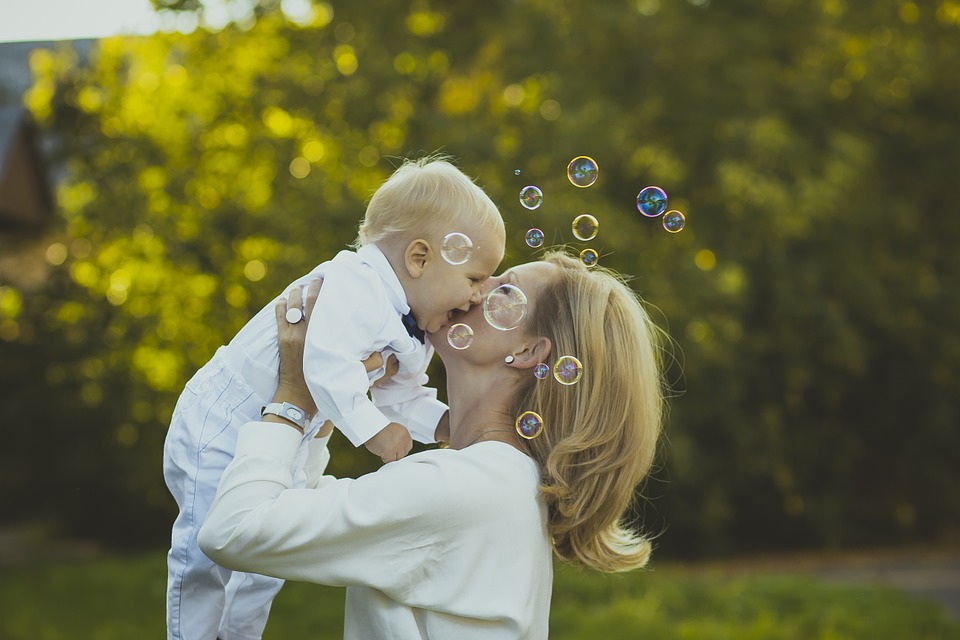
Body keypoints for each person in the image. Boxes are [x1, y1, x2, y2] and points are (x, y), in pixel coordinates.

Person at [198, 250, 666, 639]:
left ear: (527, 353)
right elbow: (292, 507)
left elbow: (235, 530)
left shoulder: (465, 488)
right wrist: (326, 404)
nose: (478, 289)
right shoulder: (494, 481)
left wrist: (293, 397)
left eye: (504, 289)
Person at [163, 157, 506, 640]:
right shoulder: (357, 284)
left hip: (290, 432)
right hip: (223, 416)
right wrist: (373, 431)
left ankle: (237, 635)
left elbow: (401, 397)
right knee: (205, 549)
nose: (476, 297)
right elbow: (323, 363)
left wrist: (447, 424)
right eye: (474, 278)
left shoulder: (417, 327)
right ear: (420, 258)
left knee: (266, 556)